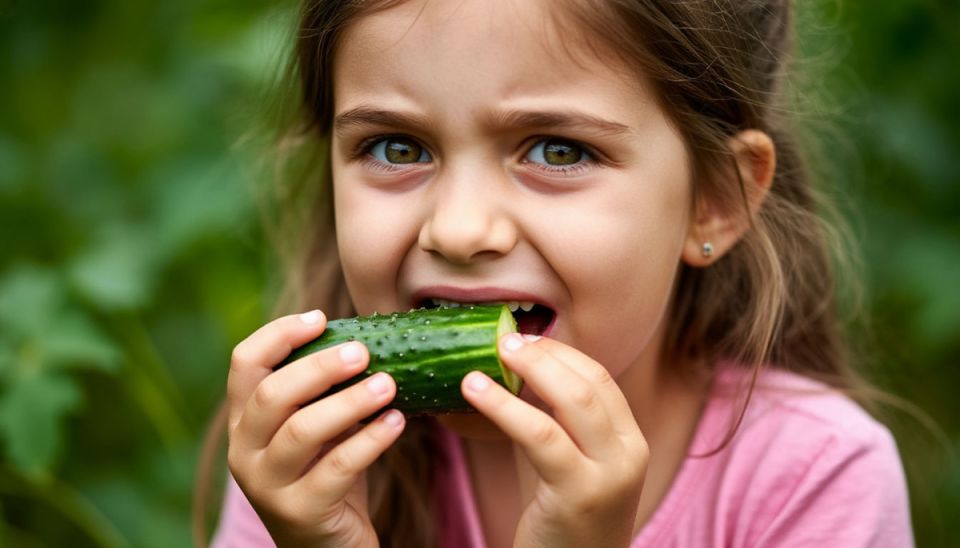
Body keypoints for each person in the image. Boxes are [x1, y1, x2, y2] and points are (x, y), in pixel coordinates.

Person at [207, 0, 914, 546]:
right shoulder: (307, 454)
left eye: (556, 151)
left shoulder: (815, 476)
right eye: (396, 146)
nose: (457, 229)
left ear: (715, 202)